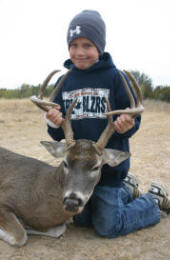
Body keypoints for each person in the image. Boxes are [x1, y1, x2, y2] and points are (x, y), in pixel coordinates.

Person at [45, 10, 170, 238]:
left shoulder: (115, 77)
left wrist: (126, 124)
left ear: (100, 47)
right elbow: (55, 134)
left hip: (108, 170)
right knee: (82, 222)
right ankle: (126, 191)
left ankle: (152, 200)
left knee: (107, 226)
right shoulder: (64, 82)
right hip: (77, 174)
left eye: (87, 45)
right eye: (74, 45)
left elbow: (133, 117)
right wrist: (53, 122)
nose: (80, 52)